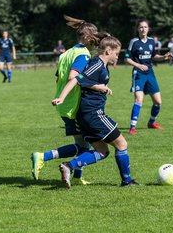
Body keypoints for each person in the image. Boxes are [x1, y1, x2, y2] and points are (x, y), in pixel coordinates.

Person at [52, 36, 139, 188]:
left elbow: (87, 82)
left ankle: (69, 166)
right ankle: (127, 181)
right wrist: (61, 98)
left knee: (102, 151)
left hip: (87, 115)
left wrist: (98, 86)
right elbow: (76, 79)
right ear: (108, 50)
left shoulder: (101, 65)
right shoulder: (97, 64)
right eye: (116, 53)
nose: (117, 57)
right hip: (93, 114)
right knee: (122, 144)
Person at [31, 15, 108, 185]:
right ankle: (43, 156)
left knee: (83, 144)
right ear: (88, 37)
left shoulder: (67, 53)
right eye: (94, 39)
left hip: (64, 104)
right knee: (83, 147)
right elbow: (74, 77)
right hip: (72, 106)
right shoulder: (83, 55)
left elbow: (59, 76)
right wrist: (97, 87)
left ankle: (77, 176)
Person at [124, 19, 172, 135]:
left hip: (150, 73)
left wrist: (164, 57)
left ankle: (151, 122)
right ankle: (132, 127)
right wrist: (138, 65)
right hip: (138, 74)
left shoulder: (151, 41)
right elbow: (126, 59)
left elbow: (154, 56)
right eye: (141, 27)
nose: (143, 29)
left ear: (148, 29)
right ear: (137, 29)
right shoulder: (134, 42)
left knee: (158, 102)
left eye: (145, 27)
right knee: (139, 99)